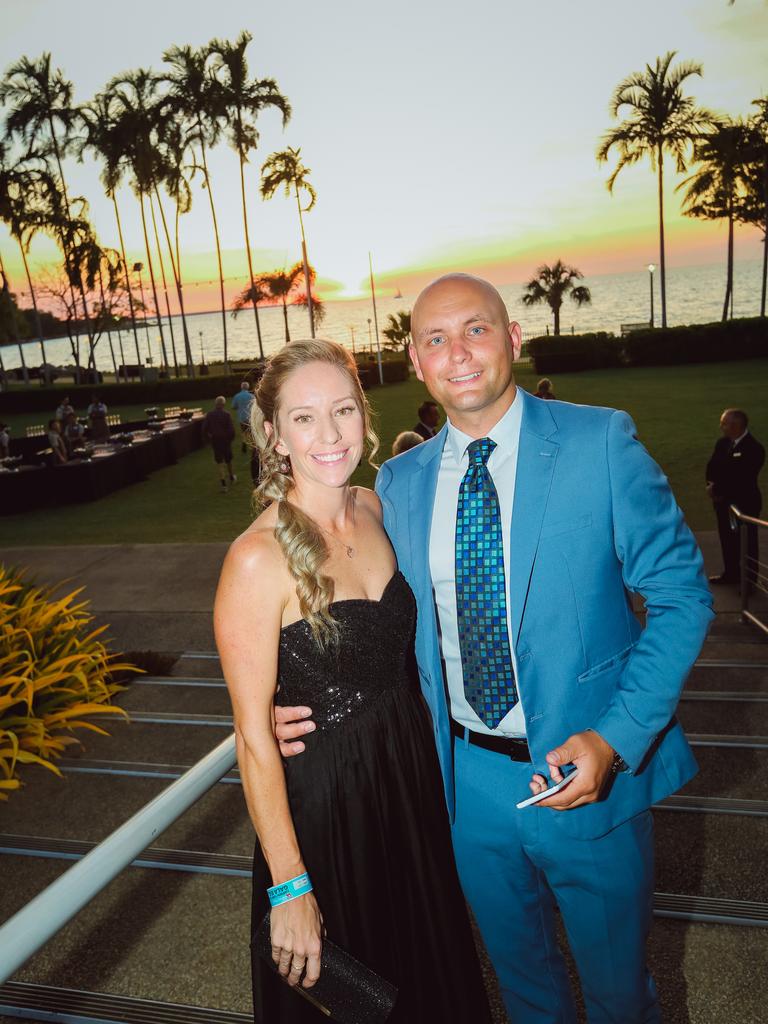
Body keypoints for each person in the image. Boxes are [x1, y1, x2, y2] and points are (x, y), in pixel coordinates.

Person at [276, 275, 714, 1024]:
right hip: (464, 787)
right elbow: (342, 600)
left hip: (589, 777)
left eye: (475, 329)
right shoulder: (398, 484)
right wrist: (274, 708)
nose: (458, 353)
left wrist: (615, 738)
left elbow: (682, 596)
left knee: (619, 997)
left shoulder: (599, 442)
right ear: (415, 361)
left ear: (512, 339)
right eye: (436, 339)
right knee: (525, 992)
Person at [213, 339, 491, 1024]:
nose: (329, 433)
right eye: (303, 418)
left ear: (364, 415)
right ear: (273, 434)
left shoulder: (374, 508)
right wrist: (289, 888)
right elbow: (253, 741)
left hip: (406, 782)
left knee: (428, 974)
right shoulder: (255, 560)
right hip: (329, 811)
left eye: (342, 409)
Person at [706, 408, 764, 586]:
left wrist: (718, 489)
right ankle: (730, 574)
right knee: (727, 541)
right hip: (723, 503)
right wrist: (710, 486)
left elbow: (742, 478)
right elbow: (712, 466)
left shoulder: (754, 448)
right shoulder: (723, 443)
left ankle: (748, 582)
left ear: (735, 425)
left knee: (747, 543)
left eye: (724, 423)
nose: (721, 426)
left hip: (745, 504)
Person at [203, 396, 237, 493]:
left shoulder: (209, 415)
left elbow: (204, 429)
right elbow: (231, 430)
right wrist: (230, 439)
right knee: (228, 459)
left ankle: (224, 484)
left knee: (220, 462)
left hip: (215, 440)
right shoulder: (226, 415)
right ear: (223, 404)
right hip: (225, 440)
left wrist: (208, 439)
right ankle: (231, 477)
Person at [231, 380, 255, 453]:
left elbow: (233, 406)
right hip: (249, 417)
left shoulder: (237, 396)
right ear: (248, 387)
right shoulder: (251, 396)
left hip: (242, 417)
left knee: (244, 432)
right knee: (251, 432)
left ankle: (244, 445)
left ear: (241, 387)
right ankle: (253, 447)